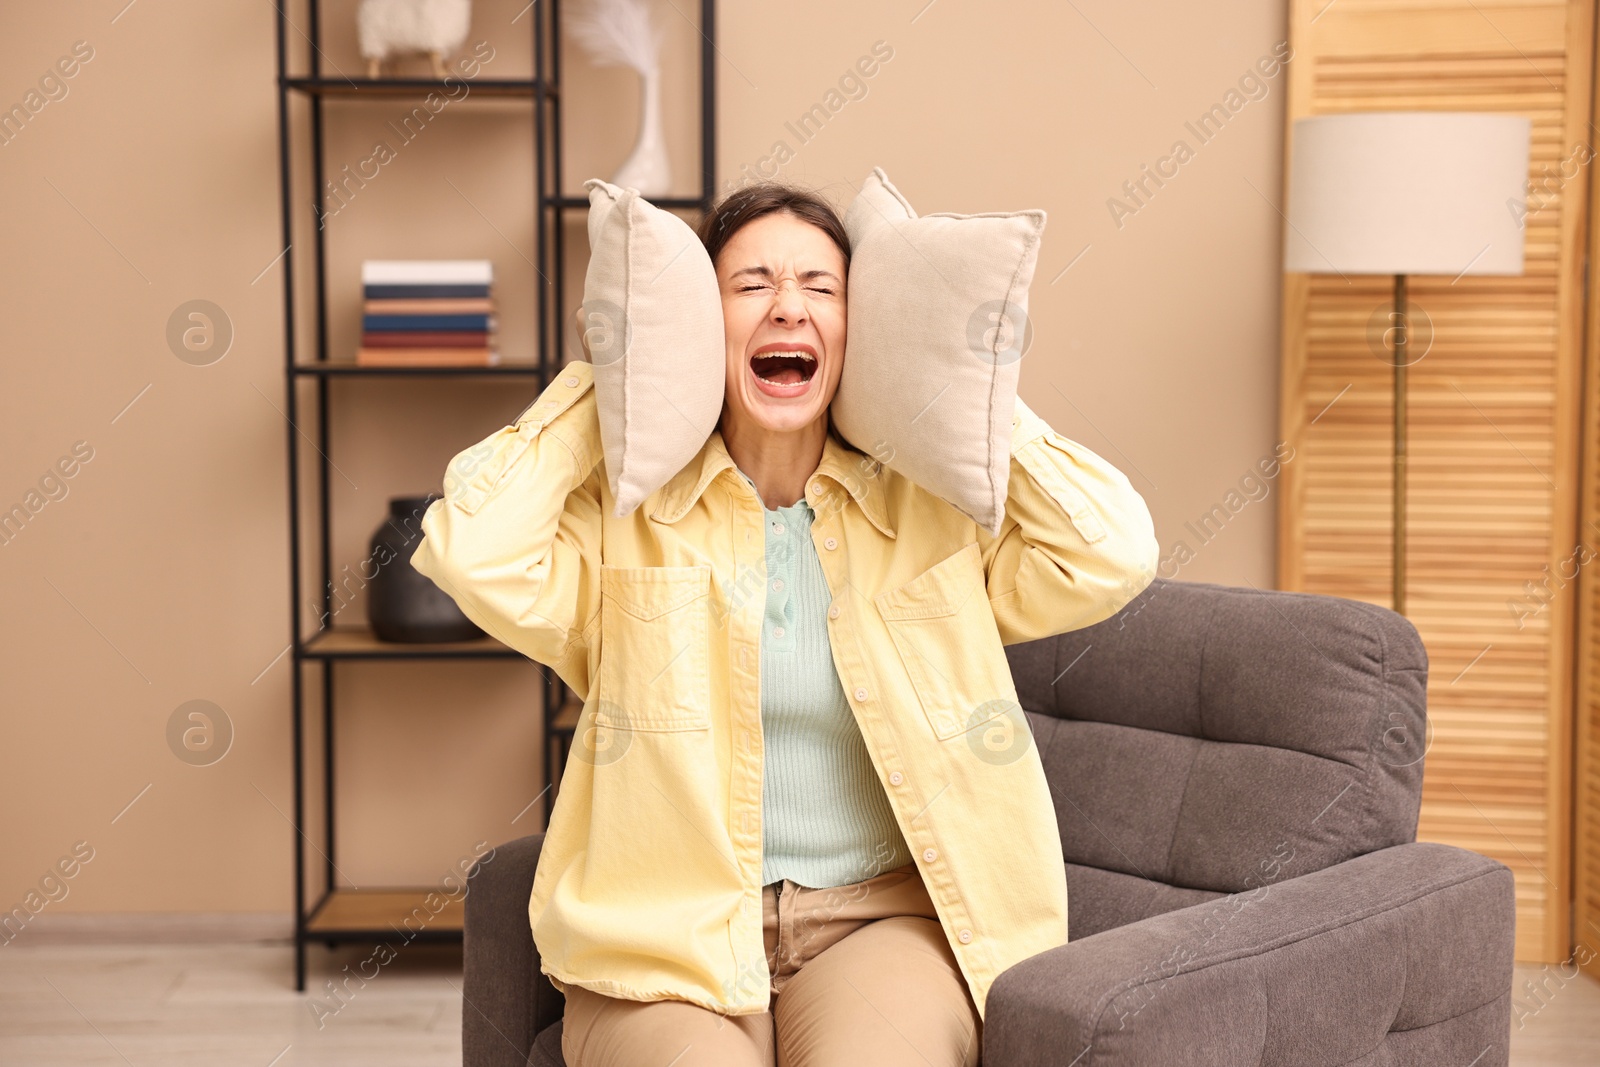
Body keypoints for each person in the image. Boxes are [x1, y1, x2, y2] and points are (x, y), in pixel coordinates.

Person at [411, 181, 1160, 1066]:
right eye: (751, 284)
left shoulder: (928, 516)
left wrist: (967, 391)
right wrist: (610, 377)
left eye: (822, 287)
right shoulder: (624, 524)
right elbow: (471, 548)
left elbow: (1110, 550)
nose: (789, 308)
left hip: (877, 923)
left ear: (860, 332)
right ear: (699, 321)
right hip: (665, 944)